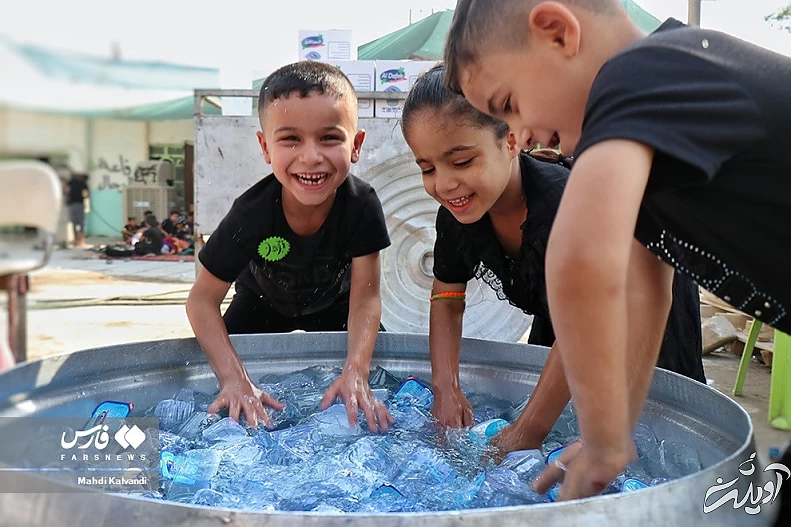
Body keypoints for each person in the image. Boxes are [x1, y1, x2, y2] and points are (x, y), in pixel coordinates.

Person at [442, 0, 791, 503]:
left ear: (558, 33)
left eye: (509, 102)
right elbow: (645, 286)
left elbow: (581, 259)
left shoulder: (638, 77)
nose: (519, 134)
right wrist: (613, 430)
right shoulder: (651, 116)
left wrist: (605, 445)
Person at [400, 65, 704, 453]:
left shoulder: (565, 207)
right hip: (565, 322)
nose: (443, 184)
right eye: (427, 168)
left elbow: (586, 325)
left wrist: (525, 432)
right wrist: (446, 388)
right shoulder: (459, 217)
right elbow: (446, 300)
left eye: (461, 163)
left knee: (652, 444)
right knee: (562, 429)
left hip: (640, 311)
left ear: (511, 140)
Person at [186, 61, 393, 433]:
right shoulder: (250, 215)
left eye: (329, 138)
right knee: (209, 390)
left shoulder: (362, 206)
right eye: (291, 139)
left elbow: (366, 298)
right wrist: (235, 378)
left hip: (336, 306)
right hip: (260, 306)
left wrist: (356, 371)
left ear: (356, 145)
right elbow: (201, 301)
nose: (310, 156)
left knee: (388, 382)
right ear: (265, 147)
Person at [65, 174, 89, 248]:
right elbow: (87, 192)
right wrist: (85, 197)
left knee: (74, 222)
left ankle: (76, 240)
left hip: (72, 204)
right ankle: (81, 241)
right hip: (79, 203)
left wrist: (68, 195)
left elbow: (65, 189)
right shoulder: (82, 183)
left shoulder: (70, 182)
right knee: (81, 222)